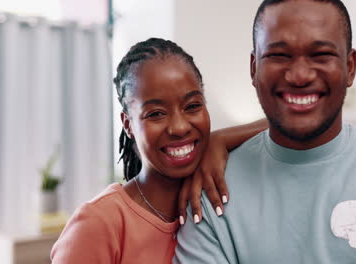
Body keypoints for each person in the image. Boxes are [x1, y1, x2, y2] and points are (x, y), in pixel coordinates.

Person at [174, 0, 356, 263]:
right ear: (253, 67)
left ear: (349, 67)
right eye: (279, 55)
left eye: (320, 54)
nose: (300, 75)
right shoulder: (210, 190)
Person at [50, 37, 267, 263]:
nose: (180, 127)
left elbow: (295, 122)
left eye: (192, 106)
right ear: (128, 124)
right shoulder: (98, 223)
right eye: (156, 114)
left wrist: (219, 139)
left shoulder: (217, 199)